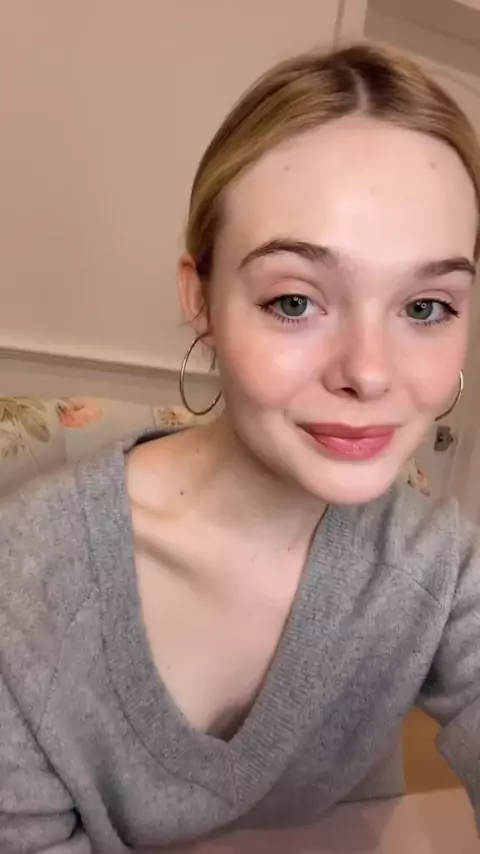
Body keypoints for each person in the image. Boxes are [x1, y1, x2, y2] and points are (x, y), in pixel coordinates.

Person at [1, 41, 479, 853]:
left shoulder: (435, 564)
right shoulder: (27, 592)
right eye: (295, 301)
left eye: (426, 307)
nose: (369, 372)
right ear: (201, 299)